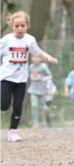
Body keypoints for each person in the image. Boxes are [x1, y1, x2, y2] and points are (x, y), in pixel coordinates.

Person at [0, 10, 58, 141]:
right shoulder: (7, 40)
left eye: (22, 25)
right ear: (12, 26)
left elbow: (38, 52)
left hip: (21, 79)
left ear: (27, 26)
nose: (20, 28)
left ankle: (13, 131)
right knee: (3, 106)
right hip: (6, 78)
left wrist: (49, 58)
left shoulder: (30, 40)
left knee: (18, 105)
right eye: (17, 26)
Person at [28, 60, 52, 127]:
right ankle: (35, 123)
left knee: (44, 108)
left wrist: (43, 78)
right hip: (33, 90)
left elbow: (50, 76)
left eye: (37, 57)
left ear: (40, 58)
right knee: (34, 106)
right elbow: (27, 76)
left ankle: (47, 122)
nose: (35, 59)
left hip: (42, 90)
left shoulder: (44, 66)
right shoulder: (31, 67)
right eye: (34, 57)